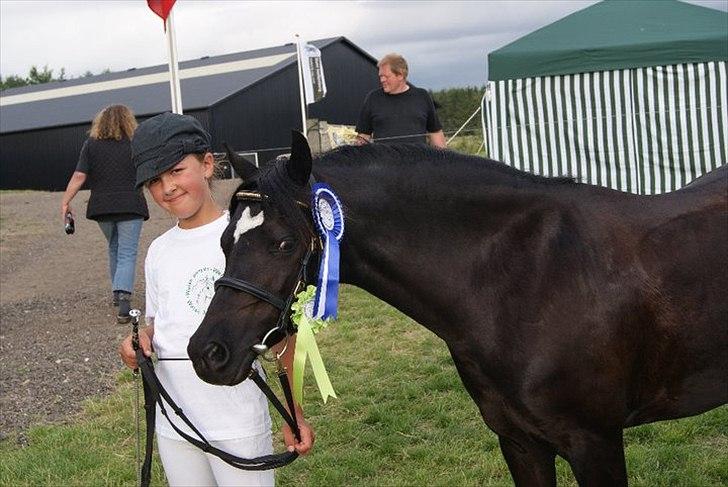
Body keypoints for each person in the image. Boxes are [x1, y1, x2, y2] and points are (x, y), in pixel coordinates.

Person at [118, 112, 314, 487]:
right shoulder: (158, 251)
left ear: (208, 164)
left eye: (176, 171)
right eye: (155, 181)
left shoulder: (247, 237)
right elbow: (160, 326)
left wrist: (295, 412)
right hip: (176, 425)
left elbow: (283, 337)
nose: (167, 188)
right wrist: (137, 343)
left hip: (236, 422)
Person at [61, 104, 149, 324]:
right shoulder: (136, 143)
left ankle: (117, 294)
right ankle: (124, 302)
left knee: (115, 247)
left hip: (102, 207)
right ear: (128, 121)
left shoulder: (91, 144)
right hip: (131, 204)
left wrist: (65, 202)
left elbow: (79, 176)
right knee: (127, 252)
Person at [355, 53, 446, 148]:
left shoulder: (422, 96)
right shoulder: (373, 98)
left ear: (400, 75)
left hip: (418, 161)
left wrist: (445, 159)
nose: (382, 80)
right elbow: (363, 136)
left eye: (386, 76)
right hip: (383, 162)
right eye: (380, 76)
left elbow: (436, 133)